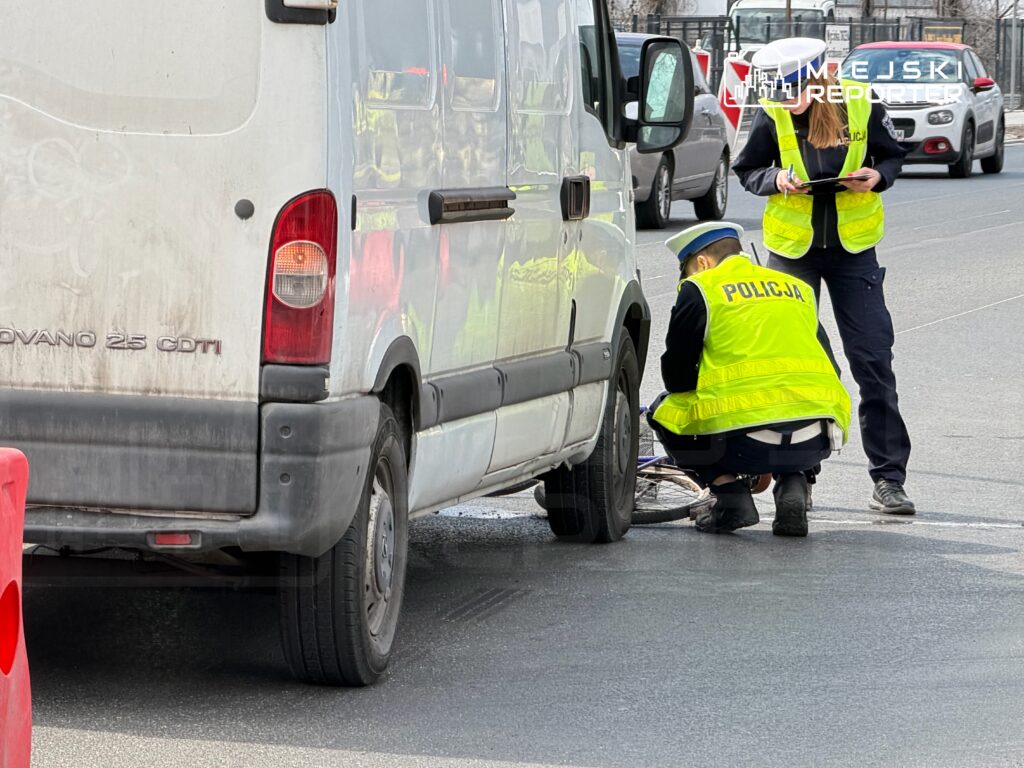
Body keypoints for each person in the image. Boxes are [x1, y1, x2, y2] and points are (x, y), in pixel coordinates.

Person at [732, 37, 916, 516]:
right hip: (794, 254)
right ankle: (799, 478)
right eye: (780, 91)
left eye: (795, 89)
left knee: (873, 363)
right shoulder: (772, 113)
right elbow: (748, 168)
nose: (788, 100)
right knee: (802, 366)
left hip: (853, 252)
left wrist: (878, 176)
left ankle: (889, 481)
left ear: (819, 77)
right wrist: (776, 180)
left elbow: (892, 154)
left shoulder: (859, 101)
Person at [649, 222, 851, 537]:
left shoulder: (701, 288)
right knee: (797, 399)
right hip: (816, 439)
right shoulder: (796, 287)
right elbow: (831, 369)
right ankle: (794, 484)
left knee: (664, 409)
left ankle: (730, 496)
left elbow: (677, 378)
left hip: (743, 446)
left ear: (702, 263)